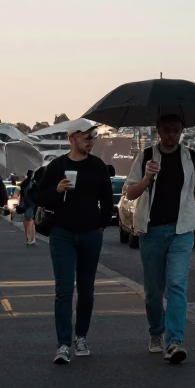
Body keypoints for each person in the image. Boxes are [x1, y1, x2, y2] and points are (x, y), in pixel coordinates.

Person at [123, 115, 195, 364]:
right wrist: (146, 178)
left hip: (181, 231)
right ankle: (156, 332)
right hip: (151, 231)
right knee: (153, 292)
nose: (172, 135)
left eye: (176, 130)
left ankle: (174, 342)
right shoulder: (145, 156)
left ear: (182, 131)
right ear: (158, 130)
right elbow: (130, 193)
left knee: (177, 286)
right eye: (167, 130)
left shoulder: (191, 157)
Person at [35, 122, 112, 365]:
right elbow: (37, 196)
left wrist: (100, 225)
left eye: (94, 137)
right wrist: (57, 190)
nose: (91, 141)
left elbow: (107, 200)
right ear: (72, 138)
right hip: (62, 234)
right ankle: (63, 344)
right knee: (64, 290)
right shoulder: (58, 165)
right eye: (87, 137)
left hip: (91, 234)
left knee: (87, 291)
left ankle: (81, 337)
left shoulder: (98, 166)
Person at [18, 169, 37, 245]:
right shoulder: (33, 184)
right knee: (31, 220)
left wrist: (20, 204)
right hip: (31, 204)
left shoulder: (24, 183)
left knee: (26, 220)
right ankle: (31, 238)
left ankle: (27, 237)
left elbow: (22, 195)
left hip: (26, 204)